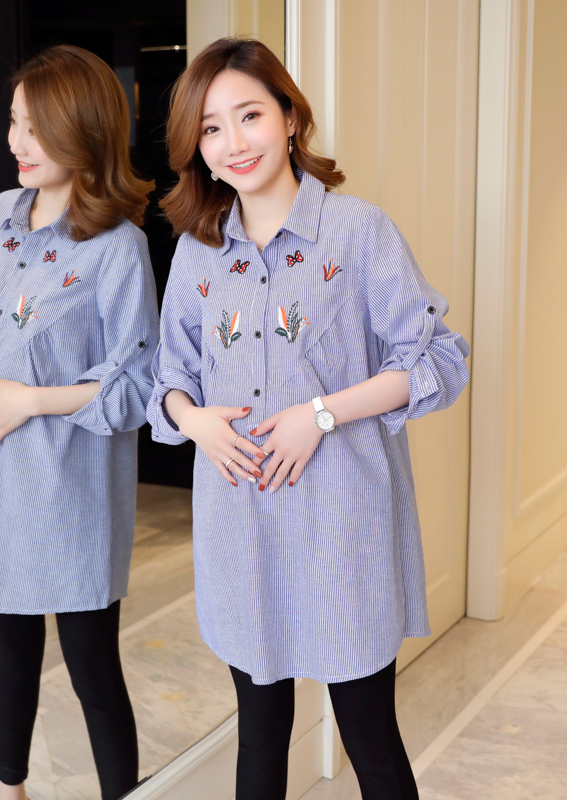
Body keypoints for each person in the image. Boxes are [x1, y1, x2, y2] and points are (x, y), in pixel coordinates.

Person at [147, 37, 469, 800]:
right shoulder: (198, 253)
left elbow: (439, 358)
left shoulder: (359, 233)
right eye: (211, 127)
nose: (233, 142)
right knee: (260, 736)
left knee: (369, 737)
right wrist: (195, 422)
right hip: (240, 527)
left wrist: (319, 415)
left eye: (249, 115)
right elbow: (168, 378)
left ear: (290, 117)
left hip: (340, 526)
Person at [0, 45, 159, 800]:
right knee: (12, 648)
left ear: (84, 131)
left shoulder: (118, 249)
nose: (17, 141)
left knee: (92, 668)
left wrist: (31, 400)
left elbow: (135, 382)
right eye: (15, 122)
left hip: (68, 486)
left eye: (36, 128)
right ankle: (9, 789)